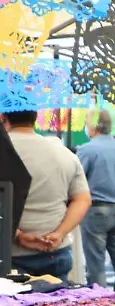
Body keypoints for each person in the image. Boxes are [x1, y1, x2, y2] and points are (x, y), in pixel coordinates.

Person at [4, 110, 91, 279]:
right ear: (35, 118)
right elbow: (83, 199)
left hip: (9, 255)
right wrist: (59, 233)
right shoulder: (64, 153)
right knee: (57, 304)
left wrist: (19, 235)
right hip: (55, 250)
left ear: (3, 117)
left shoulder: (5, 151)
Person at [76, 110, 115, 290]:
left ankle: (99, 301)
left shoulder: (87, 149)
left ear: (93, 126)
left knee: (96, 263)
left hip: (95, 210)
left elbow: (77, 181)